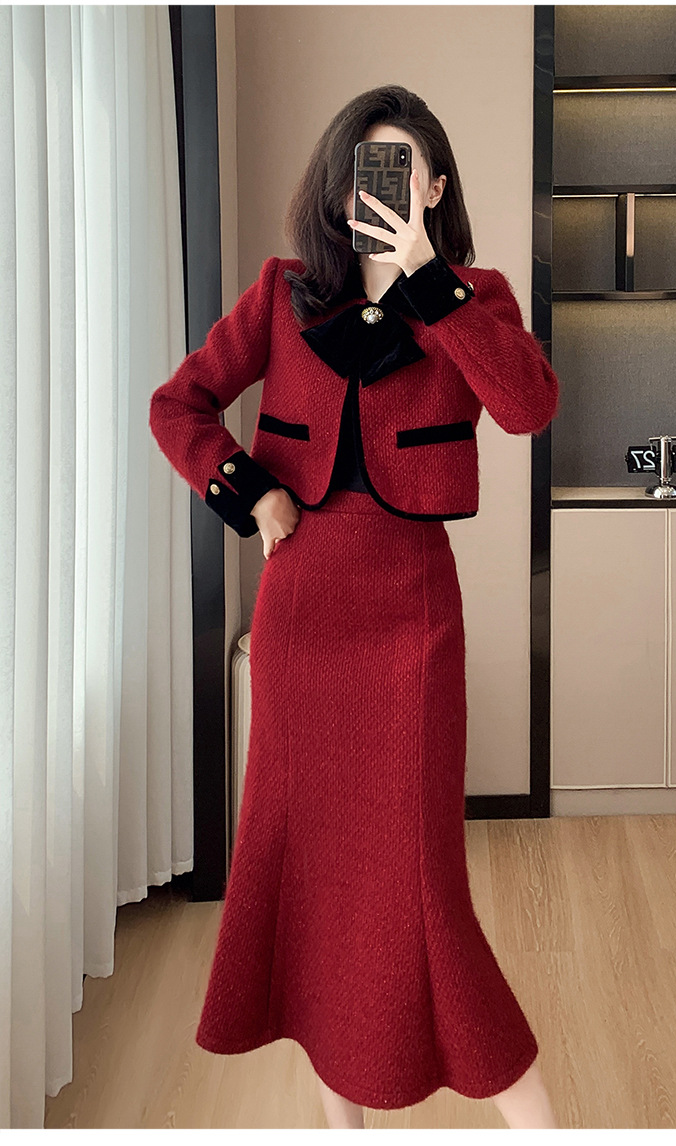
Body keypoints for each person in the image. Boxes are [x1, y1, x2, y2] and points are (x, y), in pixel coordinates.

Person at [149, 84, 560, 1129]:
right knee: (313, 877)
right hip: (302, 620)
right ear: (338, 191)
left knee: (422, 887)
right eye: (365, 168)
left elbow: (527, 406)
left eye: (403, 166)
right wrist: (250, 493)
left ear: (434, 187)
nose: (381, 185)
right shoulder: (283, 295)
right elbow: (179, 403)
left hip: (411, 619)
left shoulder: (476, 298)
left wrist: (427, 278)